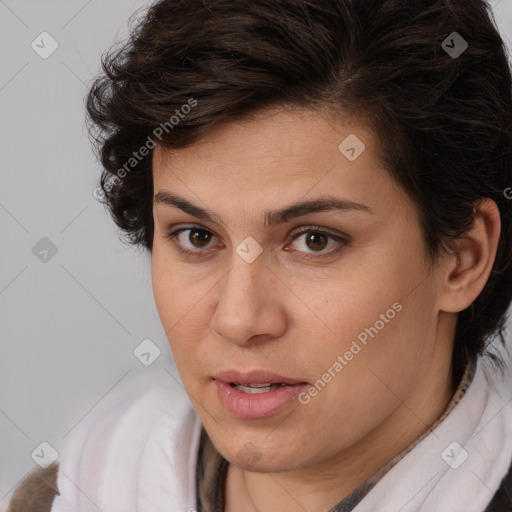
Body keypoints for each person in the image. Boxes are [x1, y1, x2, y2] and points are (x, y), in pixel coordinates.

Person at [7, 0, 512, 510]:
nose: (238, 319)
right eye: (196, 237)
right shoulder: (70, 494)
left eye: (315, 240)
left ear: (462, 259)